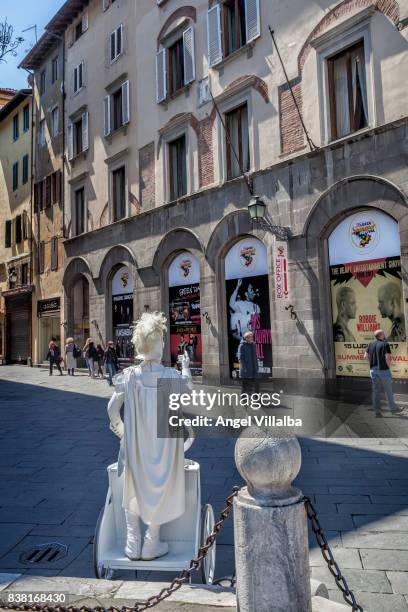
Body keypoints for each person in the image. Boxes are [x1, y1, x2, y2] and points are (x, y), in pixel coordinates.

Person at [107, 312, 192, 561]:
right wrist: (185, 366)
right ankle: (151, 542)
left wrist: (121, 431)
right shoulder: (170, 376)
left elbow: (112, 409)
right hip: (163, 446)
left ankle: (133, 542)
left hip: (136, 444)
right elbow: (188, 392)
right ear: (159, 345)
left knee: (133, 485)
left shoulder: (130, 376)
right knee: (161, 487)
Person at [364, 329, 404, 417]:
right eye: (383, 333)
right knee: (388, 391)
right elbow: (388, 357)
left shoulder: (370, 344)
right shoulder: (385, 344)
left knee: (376, 391)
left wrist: (371, 364)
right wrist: (387, 367)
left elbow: (365, 356)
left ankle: (377, 412)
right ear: (381, 335)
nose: (385, 335)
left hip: (373, 370)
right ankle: (393, 409)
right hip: (383, 370)